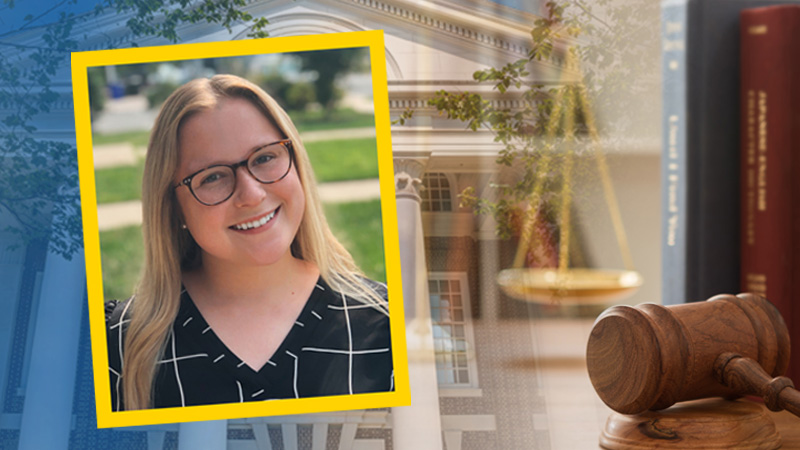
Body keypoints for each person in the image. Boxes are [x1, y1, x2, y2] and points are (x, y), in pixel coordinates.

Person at [106, 74, 392, 411]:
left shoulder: (386, 324)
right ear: (173, 206)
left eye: (265, 158)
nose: (252, 195)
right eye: (212, 176)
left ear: (296, 162)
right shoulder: (119, 346)